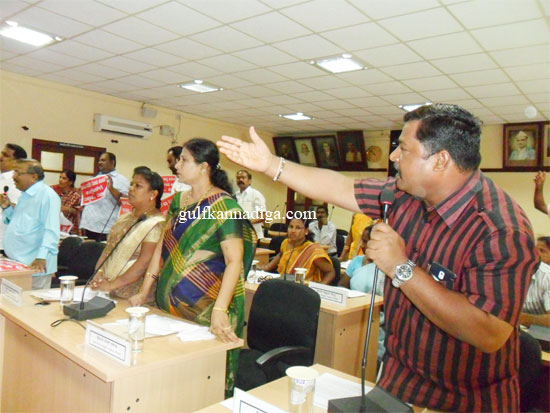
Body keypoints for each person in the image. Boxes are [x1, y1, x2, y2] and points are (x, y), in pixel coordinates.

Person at [217, 103, 538, 411]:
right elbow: (341, 187)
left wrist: (401, 268)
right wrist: (272, 165)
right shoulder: (405, 195)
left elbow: (489, 332)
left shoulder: (500, 230)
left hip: (462, 401)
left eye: (404, 149)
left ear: (440, 160)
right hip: (399, 382)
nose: (394, 156)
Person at [129, 138, 255, 398]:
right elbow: (163, 248)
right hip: (169, 310)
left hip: (205, 312)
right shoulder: (179, 202)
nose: (177, 165)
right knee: (168, 385)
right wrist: (144, 291)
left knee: (199, 388)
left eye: (184, 160)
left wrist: (220, 310)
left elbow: (234, 261)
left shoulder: (225, 207)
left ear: (203, 167)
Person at [90, 169, 165, 303]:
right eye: (131, 184)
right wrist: (98, 274)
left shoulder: (156, 223)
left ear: (153, 194)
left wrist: (112, 285)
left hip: (132, 296)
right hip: (105, 290)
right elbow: (108, 250)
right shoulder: (124, 219)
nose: (131, 189)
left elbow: (144, 263)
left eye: (138, 186)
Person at [0, 160, 60, 289]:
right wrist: (7, 208)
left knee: (32, 301)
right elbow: (19, 222)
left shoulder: (47, 196)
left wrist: (41, 257)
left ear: (33, 177)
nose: (13, 176)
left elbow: (51, 230)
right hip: (19, 263)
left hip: (35, 264)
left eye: (18, 172)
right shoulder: (26, 195)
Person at [339, 224, 385, 360]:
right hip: (351, 312)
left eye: (366, 241)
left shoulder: (385, 268)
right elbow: (342, 285)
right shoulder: (357, 261)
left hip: (375, 319)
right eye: (362, 241)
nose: (362, 245)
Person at [261, 217, 334, 284]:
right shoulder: (285, 243)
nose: (293, 231)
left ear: (306, 231)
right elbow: (269, 266)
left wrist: (319, 288)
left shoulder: (314, 250)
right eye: (291, 227)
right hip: (284, 284)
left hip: (305, 287)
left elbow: (331, 272)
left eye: (298, 228)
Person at [80, 152, 129, 241]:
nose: (99, 162)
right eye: (99, 160)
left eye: (103, 160)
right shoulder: (94, 179)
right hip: (89, 225)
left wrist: (112, 189)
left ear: (112, 162)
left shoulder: (121, 180)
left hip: (105, 227)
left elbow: (126, 202)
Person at [0, 143, 26, 255]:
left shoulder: (16, 182)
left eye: (6, 155)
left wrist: (7, 205)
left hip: (4, 241)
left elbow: (21, 210)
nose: (1, 157)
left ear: (16, 162)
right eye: (2, 153)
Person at [520, 236, 550, 328]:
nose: (536, 254)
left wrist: (521, 318)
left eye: (542, 250)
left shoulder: (547, 276)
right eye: (534, 249)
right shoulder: (517, 271)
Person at [235, 169, 266, 241]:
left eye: (243, 177)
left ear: (249, 181)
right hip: (238, 234)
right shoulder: (235, 195)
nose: (240, 180)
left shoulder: (256, 195)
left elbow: (262, 216)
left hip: (253, 234)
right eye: (238, 178)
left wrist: (247, 223)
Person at [51, 169, 81, 234]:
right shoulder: (53, 190)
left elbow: (78, 213)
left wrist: (67, 209)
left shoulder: (76, 195)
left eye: (64, 178)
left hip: (69, 227)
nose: (60, 180)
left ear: (71, 182)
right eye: (60, 177)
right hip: (53, 224)